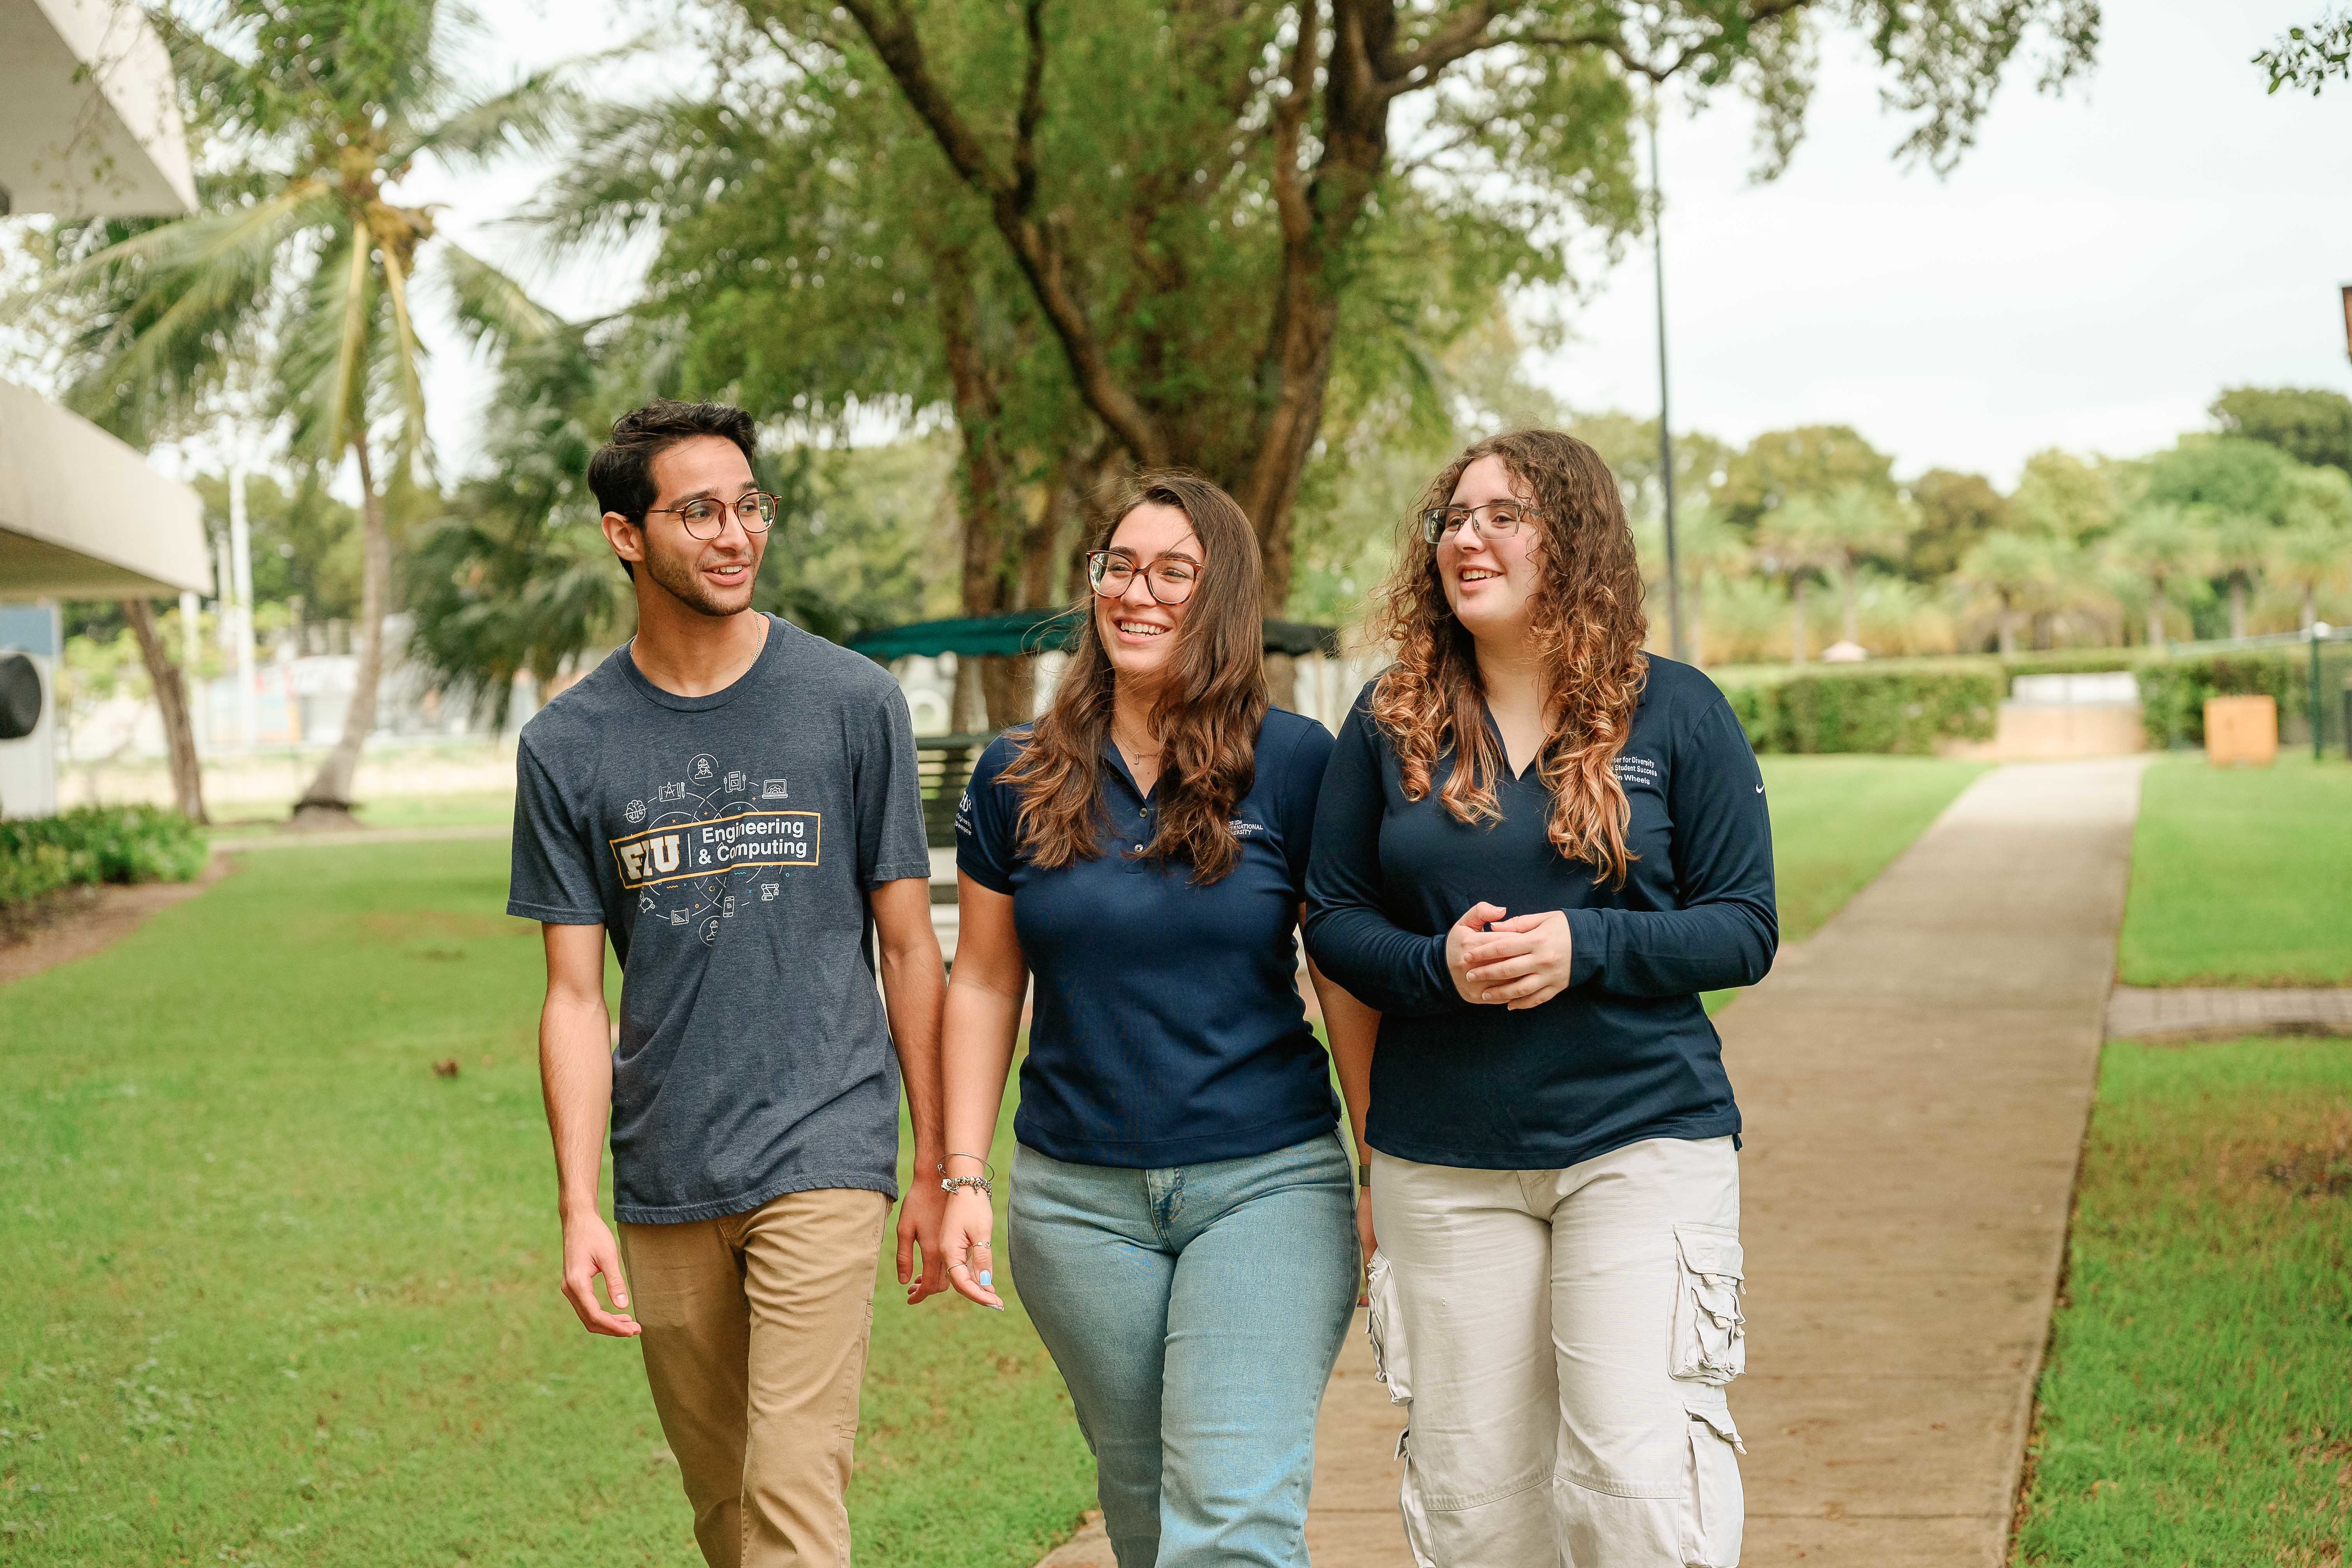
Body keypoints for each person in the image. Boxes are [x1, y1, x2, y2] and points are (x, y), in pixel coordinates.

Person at [1302, 430, 1776, 1568]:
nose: (1467, 537)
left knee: (1632, 1484)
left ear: (1575, 540)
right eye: (1453, 518)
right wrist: (1436, 968)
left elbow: (1745, 925)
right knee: (1475, 1503)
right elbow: (1332, 917)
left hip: (1639, 1137)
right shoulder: (1389, 718)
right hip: (1444, 1159)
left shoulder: (1677, 711)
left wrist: (1588, 944)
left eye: (1503, 514)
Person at [508, 399, 950, 1568]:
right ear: (625, 535)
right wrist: (577, 1205)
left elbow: (909, 945)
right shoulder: (569, 743)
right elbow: (571, 995)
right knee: (727, 1512)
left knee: (795, 1492)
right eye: (698, 511)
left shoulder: (853, 702)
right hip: (666, 1168)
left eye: (750, 506)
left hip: (826, 1147)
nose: (735, 534)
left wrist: (942, 1167)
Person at [937, 473, 1381, 1568]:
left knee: (1228, 1515)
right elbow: (987, 981)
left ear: (1220, 596)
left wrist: (1384, 1167)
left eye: (1173, 572)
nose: (1137, 594)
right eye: (1119, 568)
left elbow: (1342, 976)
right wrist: (958, 1174)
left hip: (1265, 1181)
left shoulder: (1296, 761)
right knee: (1145, 1512)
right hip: (1077, 1204)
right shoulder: (1017, 773)